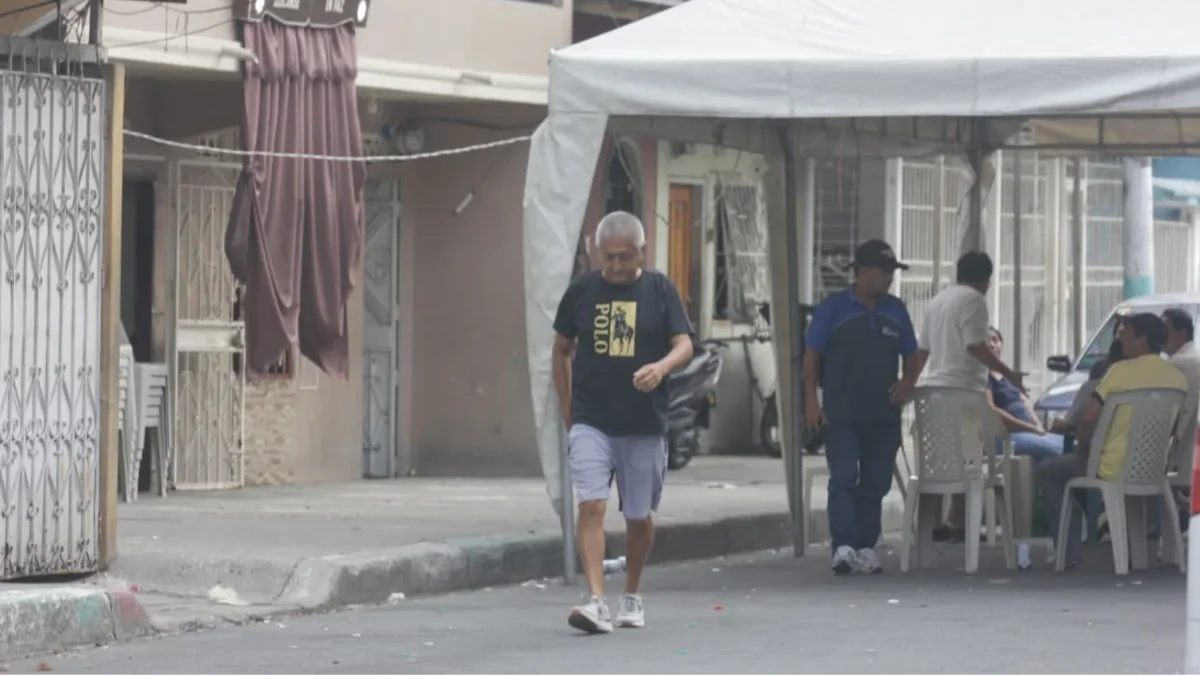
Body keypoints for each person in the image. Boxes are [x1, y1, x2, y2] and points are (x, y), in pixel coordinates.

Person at [552, 211, 693, 634]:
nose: (616, 266)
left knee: (638, 516)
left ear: (641, 253)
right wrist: (567, 407)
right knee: (592, 505)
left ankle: (631, 593)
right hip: (592, 418)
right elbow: (560, 349)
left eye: (625, 257)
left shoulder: (659, 289)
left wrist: (661, 368)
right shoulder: (581, 291)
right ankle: (596, 601)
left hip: (643, 423)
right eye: (609, 257)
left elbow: (684, 343)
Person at [804, 239, 921, 575]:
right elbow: (812, 356)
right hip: (841, 412)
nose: (890, 279)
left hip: (883, 414)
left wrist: (907, 383)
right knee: (844, 477)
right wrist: (812, 401)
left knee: (876, 482)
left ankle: (866, 546)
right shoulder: (834, 309)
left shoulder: (896, 310)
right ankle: (843, 546)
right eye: (885, 272)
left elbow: (912, 355)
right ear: (865, 271)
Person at [1038, 312, 1188, 568]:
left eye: (1124, 333)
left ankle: (1069, 553)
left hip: (1109, 467)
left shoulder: (1118, 371)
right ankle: (1134, 555)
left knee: (1048, 472)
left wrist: (1085, 450)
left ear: (1142, 339)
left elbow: (1087, 418)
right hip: (1152, 469)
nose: (1120, 339)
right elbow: (1174, 428)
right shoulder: (1177, 378)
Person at [916, 252, 1023, 541]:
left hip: (933, 393)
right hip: (963, 393)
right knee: (970, 463)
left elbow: (922, 351)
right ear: (986, 280)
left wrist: (908, 384)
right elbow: (976, 346)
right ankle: (962, 525)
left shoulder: (937, 302)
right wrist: (1008, 372)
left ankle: (934, 525)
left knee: (937, 463)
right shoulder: (974, 300)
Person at [984, 327, 1065, 460]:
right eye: (987, 341)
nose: (992, 344)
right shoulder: (982, 376)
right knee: (1057, 448)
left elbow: (1025, 401)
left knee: (1071, 443)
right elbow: (991, 411)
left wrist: (1037, 425)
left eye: (995, 340)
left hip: (1030, 432)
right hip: (1005, 436)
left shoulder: (1006, 376)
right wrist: (1032, 429)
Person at [1163, 308, 1200, 446]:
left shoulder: (1180, 362)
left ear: (1182, 332)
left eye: (1165, 330)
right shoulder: (1192, 356)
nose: (1161, 335)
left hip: (1179, 444)